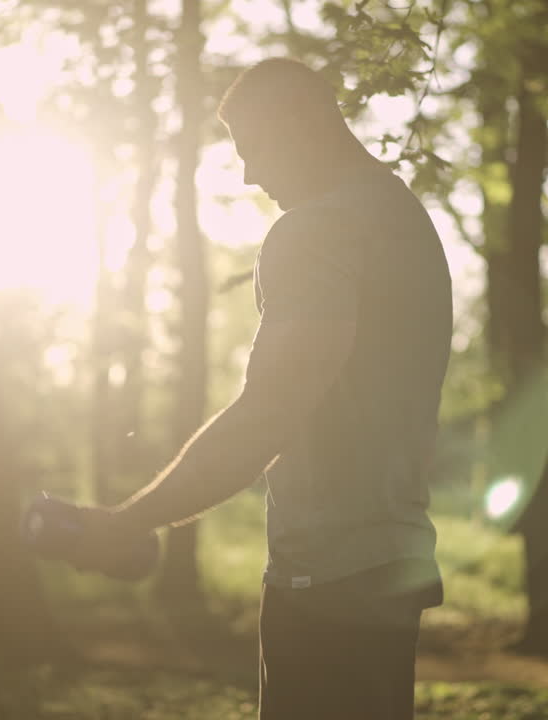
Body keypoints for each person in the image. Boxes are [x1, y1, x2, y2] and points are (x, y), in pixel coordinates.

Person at [69, 57, 453, 719]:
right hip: (392, 563)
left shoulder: (315, 231)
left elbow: (270, 413)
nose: (249, 172)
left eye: (254, 148)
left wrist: (127, 522)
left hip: (326, 578)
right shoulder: (404, 220)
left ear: (301, 124)